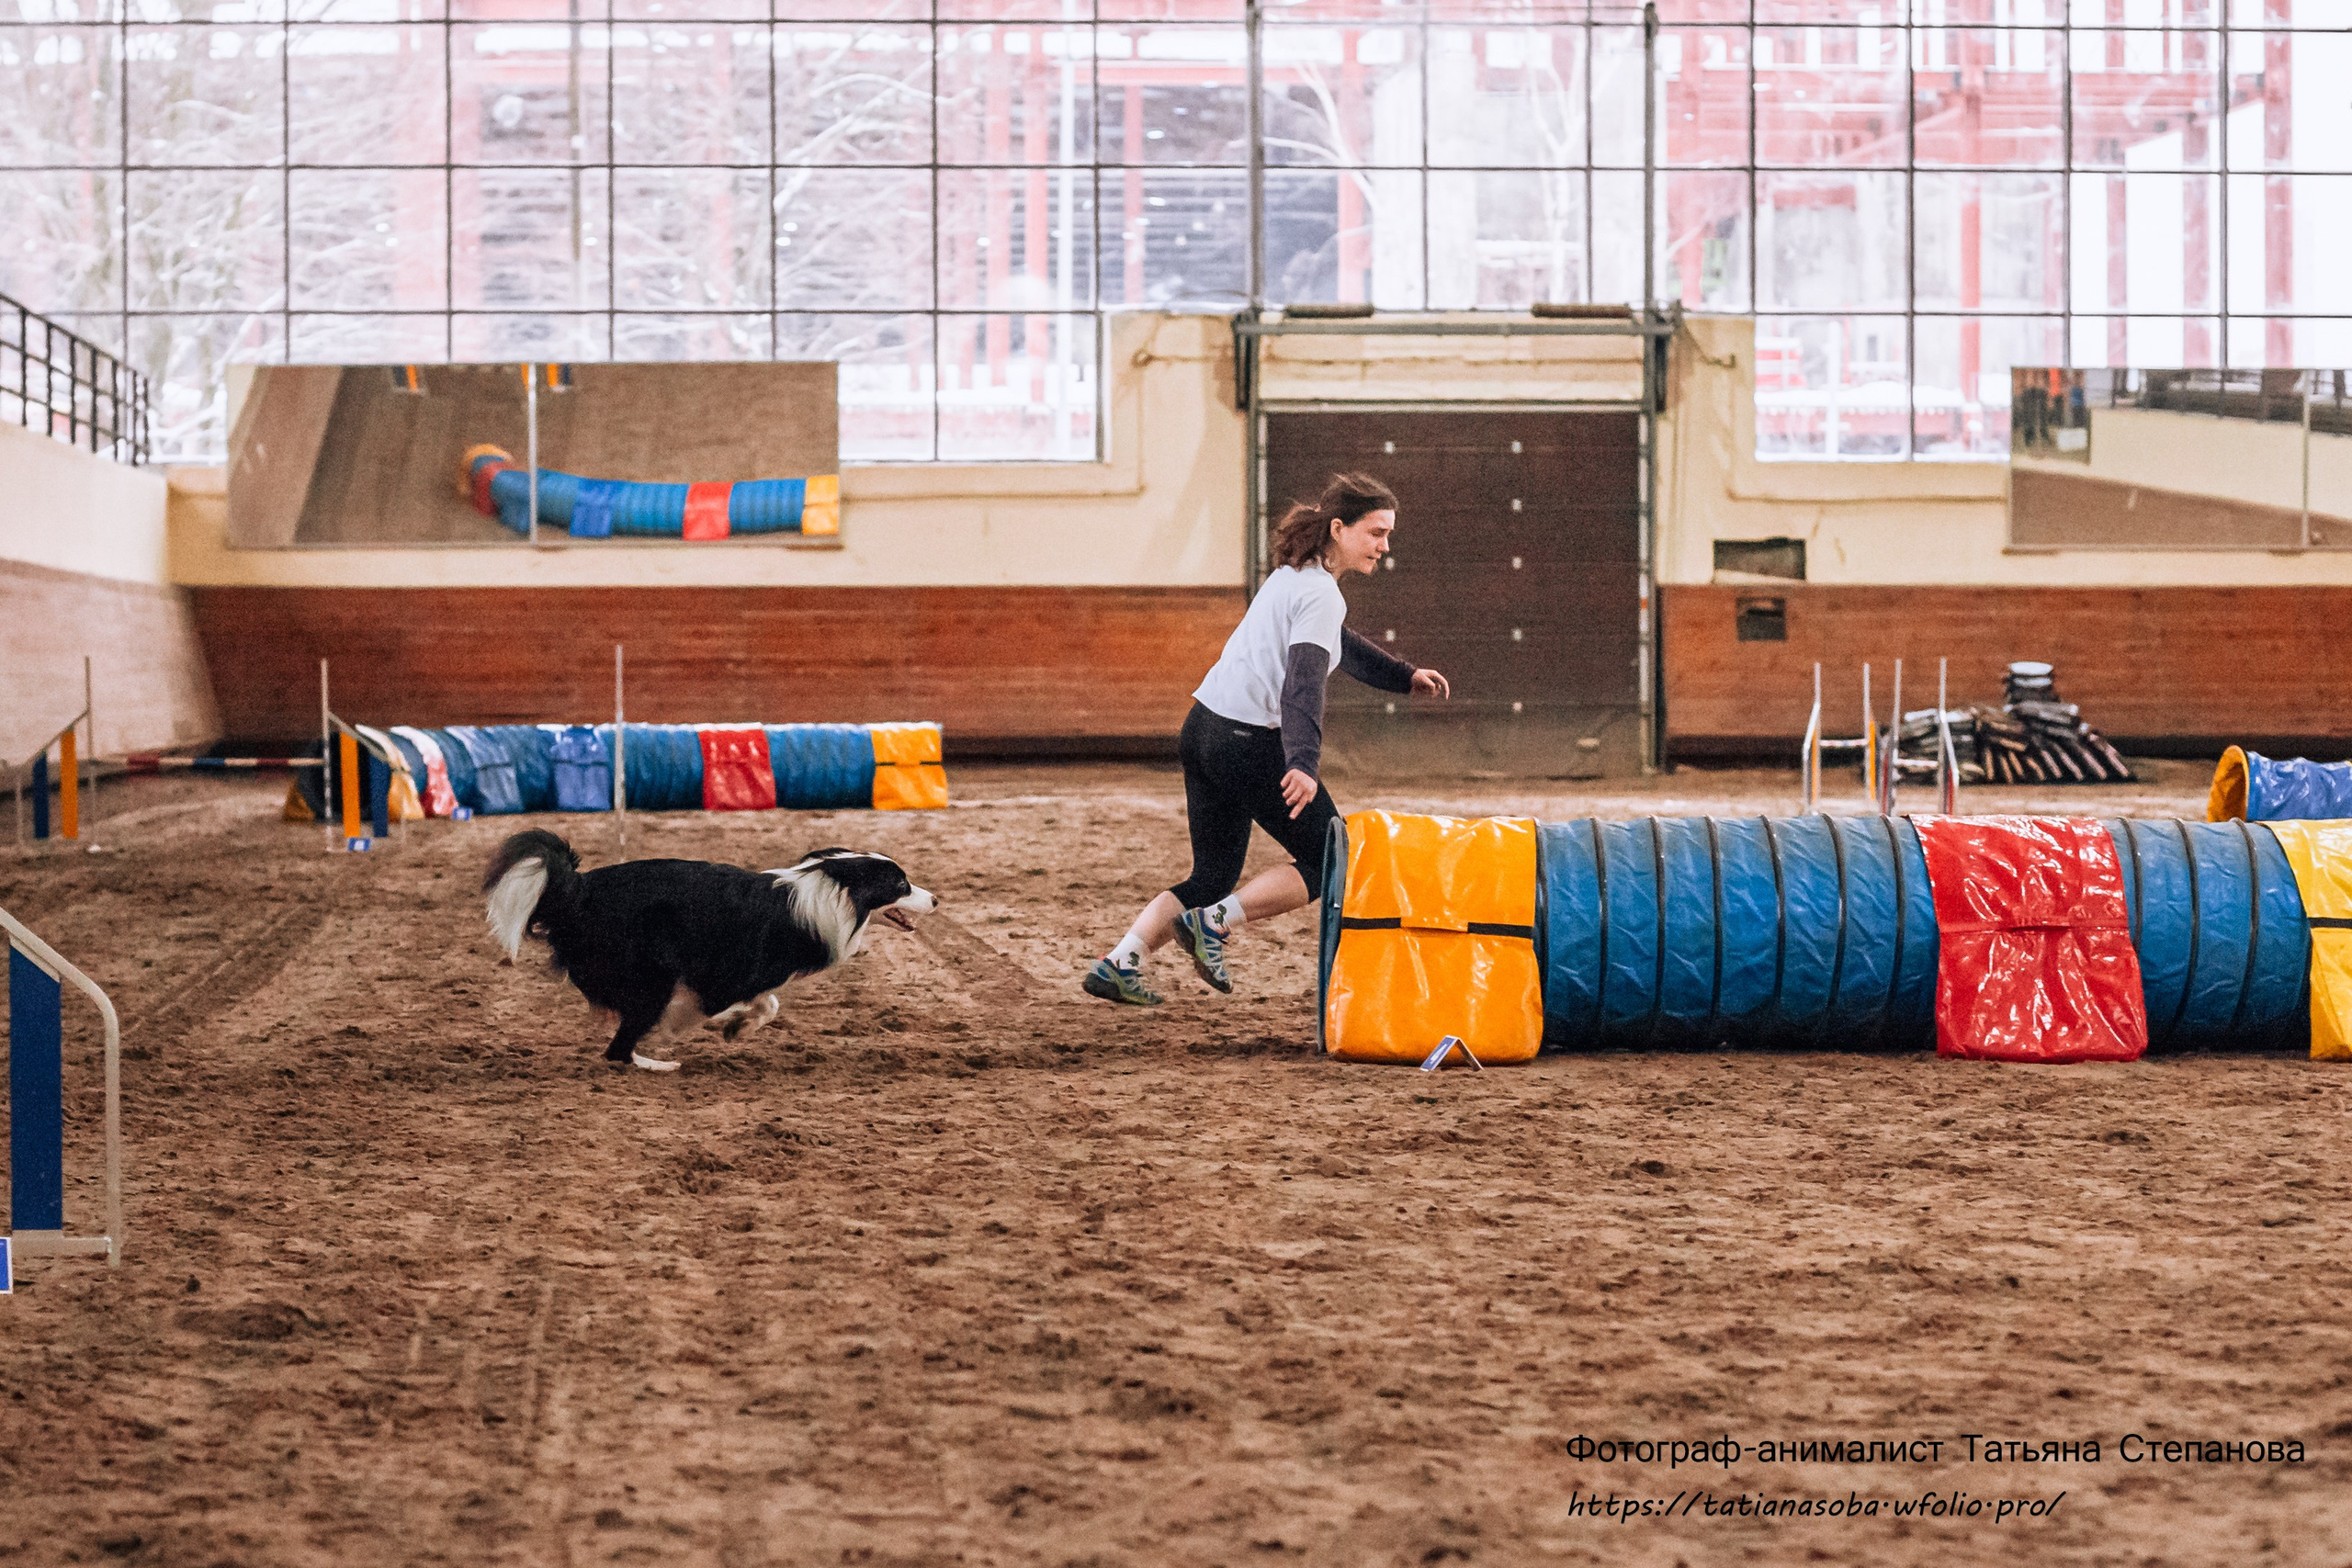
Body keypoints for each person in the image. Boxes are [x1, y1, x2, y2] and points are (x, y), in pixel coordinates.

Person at [1083, 473, 1451, 1005]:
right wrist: (1302, 761)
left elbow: (1335, 642)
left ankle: (1121, 962)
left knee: (1211, 874)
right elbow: (1302, 683)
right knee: (1333, 859)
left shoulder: (1294, 574)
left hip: (1203, 730)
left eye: (1388, 534)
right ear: (1339, 528)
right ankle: (1215, 924)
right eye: (1376, 533)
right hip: (1247, 745)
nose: (1385, 547)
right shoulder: (1320, 593)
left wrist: (1402, 674)